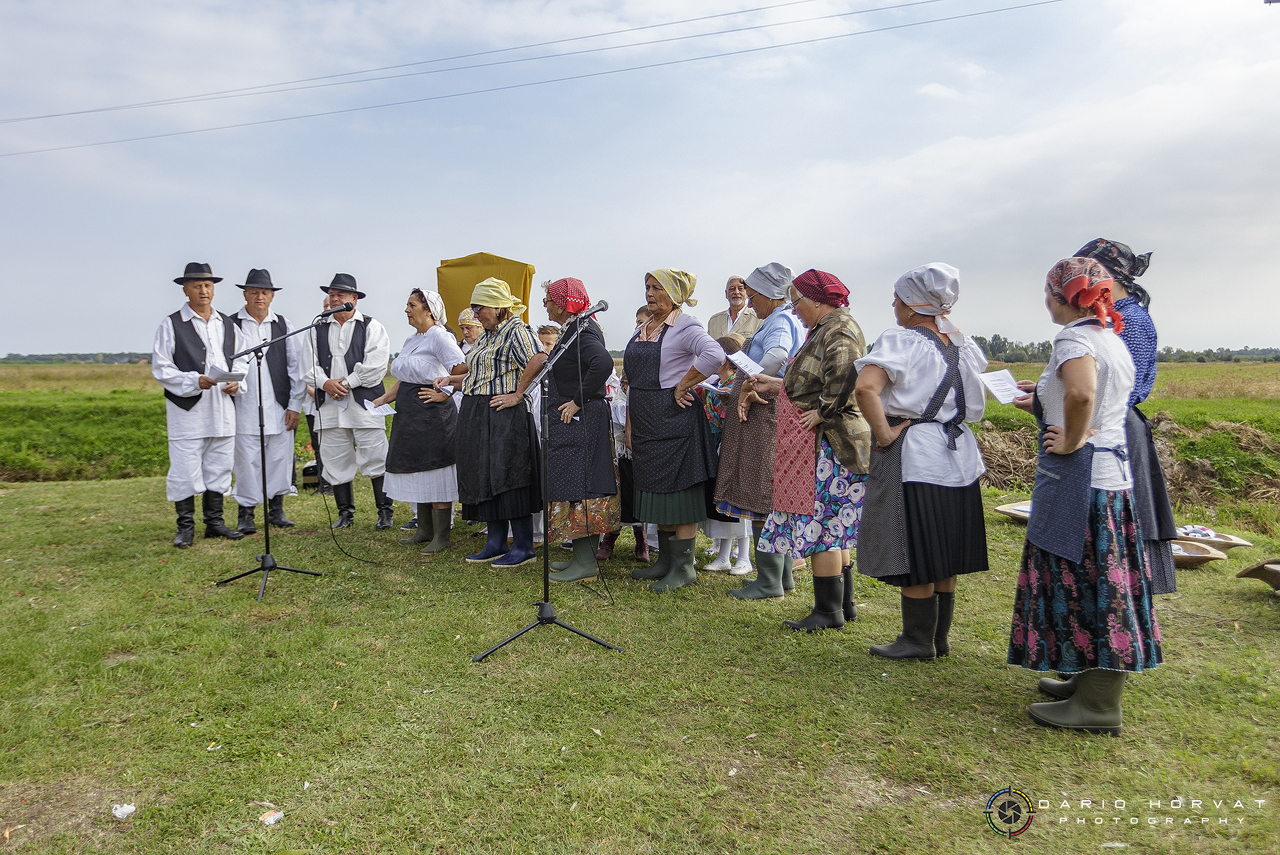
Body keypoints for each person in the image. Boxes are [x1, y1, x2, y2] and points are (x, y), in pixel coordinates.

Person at [1007, 257, 1162, 735]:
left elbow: (1081, 395)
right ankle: (1087, 683)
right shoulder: (1109, 336)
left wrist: (1073, 439)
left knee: (1092, 582)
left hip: (1084, 477)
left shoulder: (1073, 337)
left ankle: (1098, 706)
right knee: (1101, 577)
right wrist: (1045, 399)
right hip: (1110, 476)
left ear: (1059, 295)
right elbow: (1086, 393)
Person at [854, 264, 991, 657]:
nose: (894, 306)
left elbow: (866, 387)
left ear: (913, 306)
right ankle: (938, 637)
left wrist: (883, 434)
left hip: (916, 454)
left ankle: (917, 639)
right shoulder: (963, 345)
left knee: (915, 543)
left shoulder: (903, 340)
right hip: (958, 456)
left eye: (897, 299)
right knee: (944, 546)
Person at [746, 270, 871, 626]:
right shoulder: (826, 327)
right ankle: (842, 605)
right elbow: (811, 377)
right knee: (835, 524)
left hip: (833, 442)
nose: (795, 310)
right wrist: (778, 385)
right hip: (829, 441)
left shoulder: (839, 328)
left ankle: (827, 611)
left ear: (816, 299)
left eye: (798, 302)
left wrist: (822, 411)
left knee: (824, 526)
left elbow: (846, 375)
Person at [1075, 238, 1176, 596]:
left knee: (1122, 509)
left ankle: (1124, 588)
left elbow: (1120, 384)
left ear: (1106, 275)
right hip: (1102, 418)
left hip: (1116, 422)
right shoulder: (1110, 316)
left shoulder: (1130, 320)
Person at [624, 269, 725, 592]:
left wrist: (684, 385)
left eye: (657, 288)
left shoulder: (685, 325)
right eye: (647, 287)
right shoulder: (645, 327)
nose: (649, 293)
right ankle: (665, 561)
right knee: (656, 490)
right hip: (646, 418)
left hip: (675, 420)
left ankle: (683, 568)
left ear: (675, 294)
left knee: (680, 491)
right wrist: (630, 421)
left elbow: (715, 354)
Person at [435, 277, 545, 567]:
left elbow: (539, 360)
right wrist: (452, 380)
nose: (475, 313)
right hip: (477, 410)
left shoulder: (517, 330)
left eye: (479, 306)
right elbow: (480, 373)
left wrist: (518, 395)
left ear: (498, 307)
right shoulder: (486, 335)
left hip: (503, 413)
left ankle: (523, 546)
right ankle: (495, 542)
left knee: (509, 475)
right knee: (483, 474)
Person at [716, 263, 805, 598]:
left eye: (753, 295)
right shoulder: (785, 318)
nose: (750, 303)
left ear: (771, 294)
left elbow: (778, 355)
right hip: (769, 416)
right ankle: (781, 577)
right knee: (772, 495)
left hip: (764, 419)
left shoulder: (780, 320)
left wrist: (756, 385)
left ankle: (768, 581)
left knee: (760, 491)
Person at [151, 262, 248, 547]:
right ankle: (185, 526)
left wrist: (237, 382)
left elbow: (241, 359)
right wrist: (194, 381)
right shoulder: (171, 324)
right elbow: (161, 367)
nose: (203, 291)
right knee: (184, 467)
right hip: (188, 410)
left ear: (213, 289)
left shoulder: (227, 324)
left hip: (222, 407)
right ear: (185, 289)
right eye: (196, 286)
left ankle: (215, 522)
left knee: (219, 465)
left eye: (207, 285)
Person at [537, 278, 621, 582]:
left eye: (547, 299)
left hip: (584, 421)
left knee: (584, 487)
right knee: (575, 486)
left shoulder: (582, 331)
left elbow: (602, 364)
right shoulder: (574, 329)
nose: (544, 304)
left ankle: (585, 564)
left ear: (562, 302)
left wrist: (576, 401)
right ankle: (580, 557)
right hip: (578, 423)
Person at [373, 288, 467, 554]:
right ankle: (424, 530)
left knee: (435, 469)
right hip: (411, 415)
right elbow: (404, 377)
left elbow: (460, 368)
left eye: (412, 304)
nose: (406, 309)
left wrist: (444, 393)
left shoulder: (440, 336)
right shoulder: (412, 339)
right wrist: (384, 399)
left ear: (429, 310)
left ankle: (442, 536)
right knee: (418, 468)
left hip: (433, 416)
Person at [301, 274, 393, 530]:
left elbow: (376, 366)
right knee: (334, 455)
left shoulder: (372, 326)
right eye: (332, 294)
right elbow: (307, 366)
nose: (334, 299)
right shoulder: (316, 328)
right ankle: (345, 513)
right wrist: (325, 383)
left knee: (375, 454)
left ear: (354, 298)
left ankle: (385, 511)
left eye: (340, 294)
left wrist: (346, 383)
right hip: (329, 403)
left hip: (363, 402)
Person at [229, 269, 306, 534]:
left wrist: (295, 405)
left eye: (264, 292)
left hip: (279, 405)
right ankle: (246, 514)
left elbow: (296, 369)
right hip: (243, 406)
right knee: (247, 460)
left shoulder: (284, 325)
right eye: (254, 292)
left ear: (272, 296)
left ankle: (276, 510)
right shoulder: (231, 324)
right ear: (245, 294)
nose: (259, 296)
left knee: (278, 459)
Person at [699, 335, 753, 574]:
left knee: (738, 501)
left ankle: (744, 556)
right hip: (716, 445)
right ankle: (723, 554)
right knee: (722, 502)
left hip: (732, 445)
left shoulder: (738, 384)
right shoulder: (716, 384)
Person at [596, 373, 651, 563]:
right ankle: (609, 540)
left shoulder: (645, 402)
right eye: (624, 384)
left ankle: (641, 540)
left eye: (630, 384)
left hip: (640, 458)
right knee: (619, 499)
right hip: (620, 457)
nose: (626, 388)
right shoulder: (618, 403)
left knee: (637, 500)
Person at [707, 275, 763, 341]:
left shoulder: (758, 319)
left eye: (740, 288)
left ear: (747, 293)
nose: (736, 292)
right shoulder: (714, 321)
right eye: (732, 289)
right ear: (726, 294)